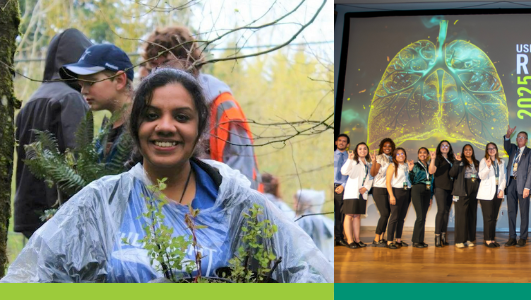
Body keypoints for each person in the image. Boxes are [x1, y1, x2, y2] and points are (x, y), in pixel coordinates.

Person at [1, 68, 333, 283]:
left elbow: (307, 275)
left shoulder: (239, 205)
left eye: (182, 116)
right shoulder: (101, 203)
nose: (165, 126)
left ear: (200, 128)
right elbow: (35, 277)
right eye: (152, 115)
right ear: (136, 126)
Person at [140, 26, 263, 192]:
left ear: (186, 59)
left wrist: (237, 210)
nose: (155, 74)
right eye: (152, 67)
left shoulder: (221, 104)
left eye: (162, 64)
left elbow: (242, 164)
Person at [14, 28, 92, 239]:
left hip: (29, 213)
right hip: (60, 217)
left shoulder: (30, 101)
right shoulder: (71, 99)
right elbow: (79, 162)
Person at [61, 43, 136, 167]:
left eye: (90, 82)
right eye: (81, 85)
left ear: (119, 80)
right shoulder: (104, 132)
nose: (83, 91)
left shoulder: (142, 130)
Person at [502, 127, 531, 247]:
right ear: (516, 139)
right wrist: (507, 136)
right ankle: (512, 237)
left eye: (523, 137)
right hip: (511, 183)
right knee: (511, 211)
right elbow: (506, 145)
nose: (520, 138)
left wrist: (528, 187)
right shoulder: (512, 149)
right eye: (519, 137)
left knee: (524, 212)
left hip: (523, 185)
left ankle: (523, 237)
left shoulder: (530, 152)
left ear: (526, 140)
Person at [341, 142, 373, 249]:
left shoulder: (368, 164)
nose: (362, 151)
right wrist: (350, 159)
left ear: (367, 151)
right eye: (360, 149)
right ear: (356, 151)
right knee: (349, 215)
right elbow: (344, 171)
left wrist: (366, 188)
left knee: (357, 216)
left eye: (364, 149)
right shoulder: (353, 161)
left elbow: (370, 178)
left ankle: (357, 240)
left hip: (362, 194)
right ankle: (350, 240)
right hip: (351, 193)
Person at [450, 144, 481, 248]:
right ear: (463, 151)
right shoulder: (460, 161)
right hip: (462, 189)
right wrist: (457, 162)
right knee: (461, 216)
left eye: (470, 149)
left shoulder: (477, 162)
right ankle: (459, 240)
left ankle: (470, 238)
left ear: (472, 151)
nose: (468, 151)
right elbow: (452, 173)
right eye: (466, 150)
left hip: (474, 190)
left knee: (472, 215)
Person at [477, 142, 506, 248]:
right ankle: (487, 239)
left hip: (497, 192)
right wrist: (488, 166)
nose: (491, 150)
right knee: (488, 217)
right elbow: (481, 176)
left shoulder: (501, 162)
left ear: (497, 150)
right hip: (486, 193)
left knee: (494, 217)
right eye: (489, 148)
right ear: (487, 150)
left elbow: (503, 178)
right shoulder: (484, 161)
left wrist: (502, 189)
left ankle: (492, 239)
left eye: (493, 148)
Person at [294, 189, 334, 262]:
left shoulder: (305, 220)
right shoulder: (319, 218)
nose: (295, 205)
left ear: (305, 204)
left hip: (310, 259)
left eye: (297, 203)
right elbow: (328, 236)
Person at [429, 140, 456, 247]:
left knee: (446, 212)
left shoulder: (452, 159)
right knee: (441, 211)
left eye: (447, 145)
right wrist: (432, 159)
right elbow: (431, 171)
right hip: (440, 187)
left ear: (449, 147)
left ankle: (444, 235)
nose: (445, 147)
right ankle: (437, 236)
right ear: (439, 147)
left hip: (450, 188)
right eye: (442, 145)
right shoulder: (438, 158)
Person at [369, 138, 396, 247]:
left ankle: (381, 238)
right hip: (379, 188)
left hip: (389, 189)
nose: (387, 148)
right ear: (381, 147)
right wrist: (374, 162)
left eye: (389, 146)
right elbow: (373, 173)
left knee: (387, 214)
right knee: (385, 213)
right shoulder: (379, 158)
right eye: (385, 146)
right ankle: (376, 238)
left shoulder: (393, 159)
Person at [385, 148, 413, 249]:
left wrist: (410, 170)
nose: (401, 155)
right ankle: (389, 241)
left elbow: (410, 179)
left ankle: (398, 240)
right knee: (394, 217)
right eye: (398, 154)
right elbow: (388, 182)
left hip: (407, 192)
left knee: (401, 218)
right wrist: (391, 195)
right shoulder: (392, 166)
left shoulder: (407, 165)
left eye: (402, 153)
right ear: (394, 156)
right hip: (396, 192)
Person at [409, 147, 435, 248]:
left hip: (427, 191)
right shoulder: (415, 165)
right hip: (417, 189)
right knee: (420, 216)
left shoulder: (429, 167)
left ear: (428, 155)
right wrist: (410, 171)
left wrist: (431, 196)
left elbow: (432, 182)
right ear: (418, 155)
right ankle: (415, 241)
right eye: (420, 152)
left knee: (423, 217)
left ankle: (420, 240)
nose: (422, 154)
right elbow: (411, 180)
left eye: (425, 152)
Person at [332, 134, 351, 246]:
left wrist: (343, 185)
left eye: (344, 141)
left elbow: (351, 174)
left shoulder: (350, 158)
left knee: (339, 214)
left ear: (347, 144)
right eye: (339, 140)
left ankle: (339, 238)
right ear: (336, 142)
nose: (341, 143)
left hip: (342, 187)